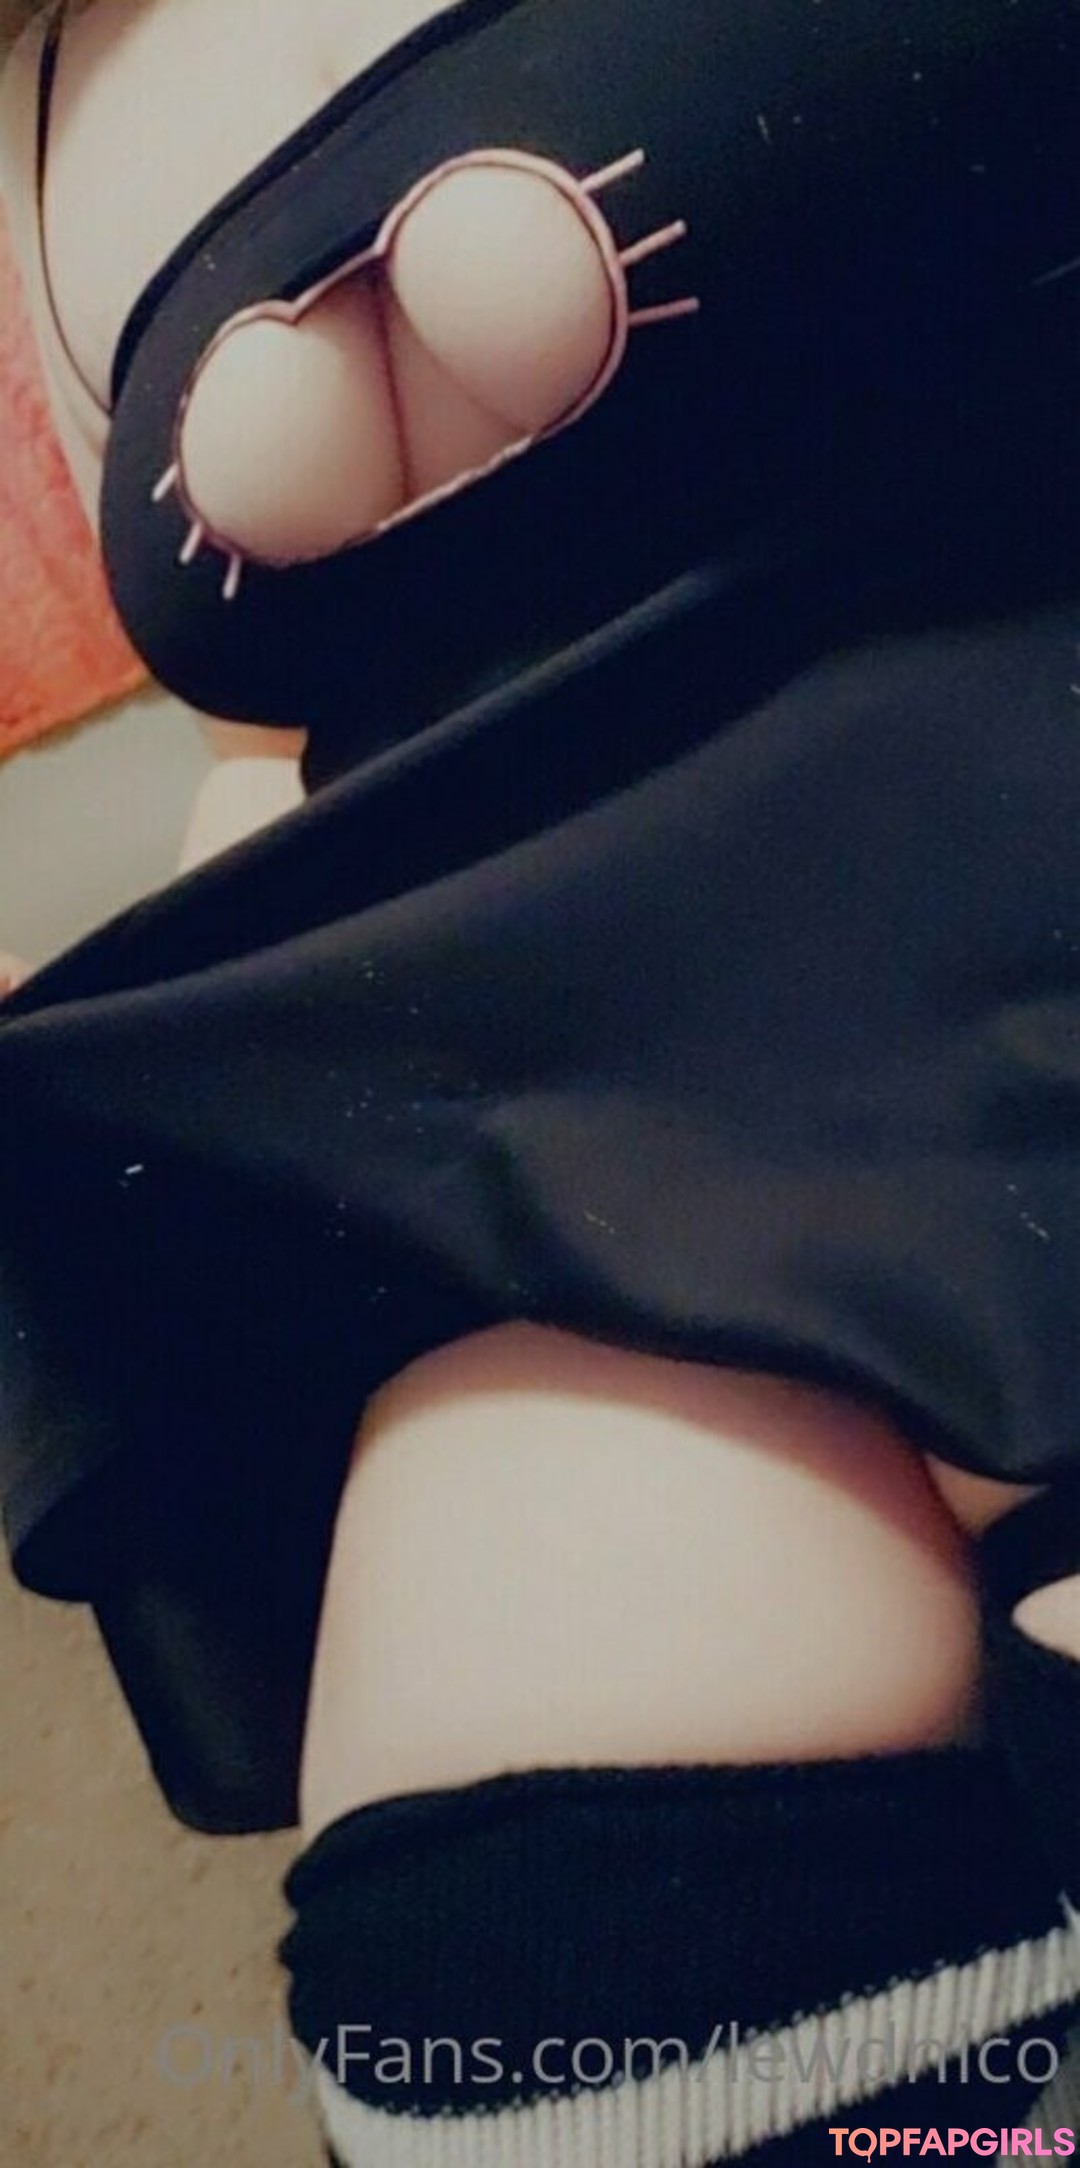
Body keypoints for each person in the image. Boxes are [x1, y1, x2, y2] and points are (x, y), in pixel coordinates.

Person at [1, 2, 1078, 2160]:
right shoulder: (39, 84)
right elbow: (295, 728)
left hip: (1016, 778)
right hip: (578, 1086)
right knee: (534, 1924)